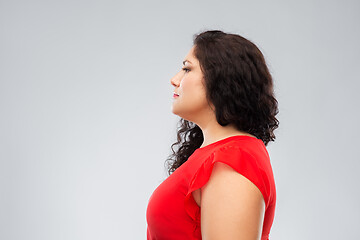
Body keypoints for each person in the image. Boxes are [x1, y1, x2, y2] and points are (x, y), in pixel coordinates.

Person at [146, 30, 279, 240]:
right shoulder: (216, 155)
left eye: (186, 69)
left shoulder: (234, 159)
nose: (174, 79)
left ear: (221, 78)